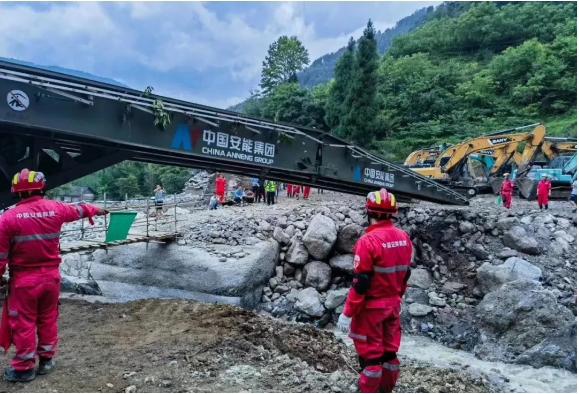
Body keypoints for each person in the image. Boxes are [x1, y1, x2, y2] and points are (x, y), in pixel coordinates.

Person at [0, 169, 108, 383]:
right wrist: (98, 209)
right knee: (48, 318)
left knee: (24, 322)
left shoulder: (7, 219)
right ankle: (47, 360)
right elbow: (79, 209)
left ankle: (23, 368)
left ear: (16, 192)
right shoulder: (55, 208)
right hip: (51, 279)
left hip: (24, 283)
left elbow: (0, 257)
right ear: (41, 187)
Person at [336, 188, 412, 393]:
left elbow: (361, 283)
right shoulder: (404, 237)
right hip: (393, 305)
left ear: (368, 212)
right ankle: (386, 390)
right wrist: (398, 297)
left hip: (371, 310)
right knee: (389, 354)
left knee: (371, 359)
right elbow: (405, 274)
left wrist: (347, 313)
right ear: (392, 213)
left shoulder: (367, 241)